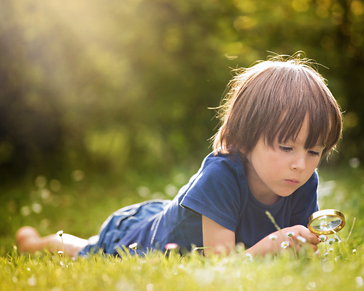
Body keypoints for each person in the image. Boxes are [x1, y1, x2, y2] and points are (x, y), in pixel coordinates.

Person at [16, 53, 342, 258]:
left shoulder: (303, 180)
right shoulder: (221, 177)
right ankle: (38, 242)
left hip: (169, 216)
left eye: (314, 151)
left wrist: (304, 246)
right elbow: (222, 267)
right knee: (86, 250)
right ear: (244, 139)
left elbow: (302, 250)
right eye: (286, 147)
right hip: (137, 239)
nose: (300, 164)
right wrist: (276, 243)